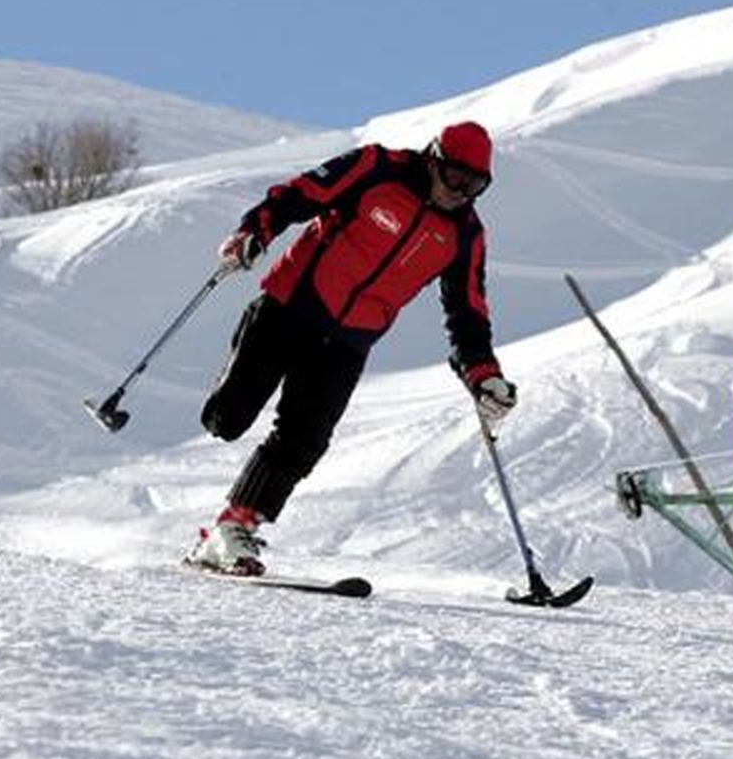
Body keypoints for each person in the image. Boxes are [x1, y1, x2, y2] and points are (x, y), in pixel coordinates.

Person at [184, 121, 517, 576]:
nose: (463, 192)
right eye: (457, 177)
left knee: (305, 439)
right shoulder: (377, 169)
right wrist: (255, 231)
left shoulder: (465, 235)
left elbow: (468, 313)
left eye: (477, 184)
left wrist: (484, 376)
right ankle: (229, 400)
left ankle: (233, 527)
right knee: (227, 419)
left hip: (347, 343)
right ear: (432, 158)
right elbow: (298, 194)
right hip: (288, 308)